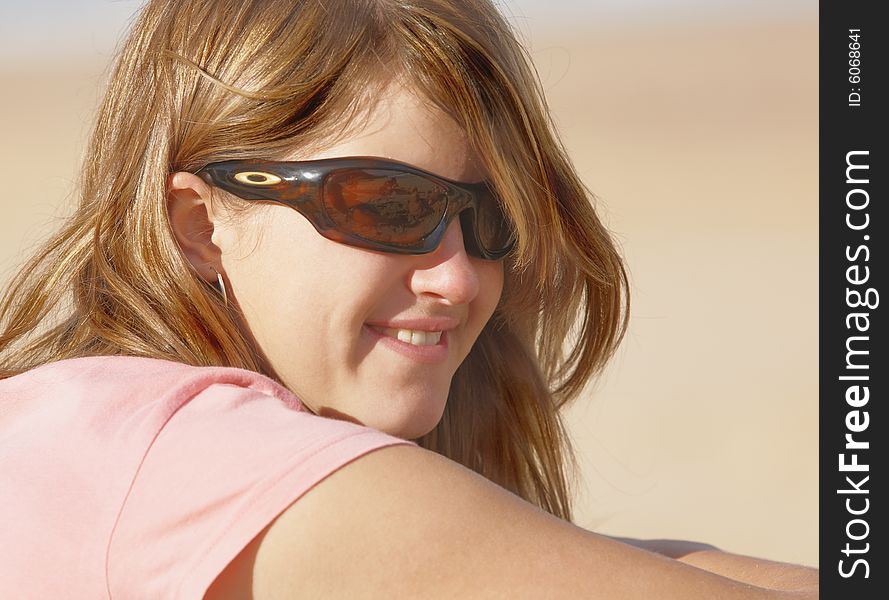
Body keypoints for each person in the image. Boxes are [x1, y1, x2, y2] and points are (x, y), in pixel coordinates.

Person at [0, 0, 817, 598]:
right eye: (390, 208)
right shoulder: (183, 458)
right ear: (200, 225)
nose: (457, 278)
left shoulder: (98, 429)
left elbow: (625, 565)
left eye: (492, 219)